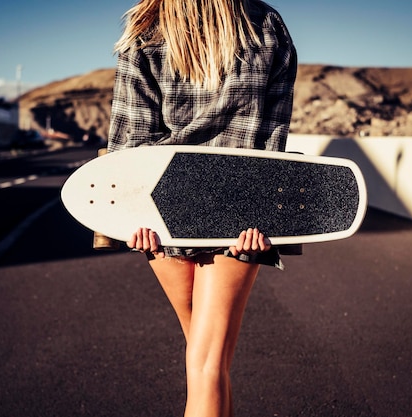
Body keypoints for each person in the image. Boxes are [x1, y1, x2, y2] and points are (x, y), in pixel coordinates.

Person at [107, 1, 297, 416]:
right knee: (209, 363)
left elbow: (129, 145)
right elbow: (273, 140)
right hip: (241, 208)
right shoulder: (266, 25)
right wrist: (264, 214)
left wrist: (130, 218)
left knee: (204, 361)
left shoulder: (144, 32)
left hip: (161, 209)